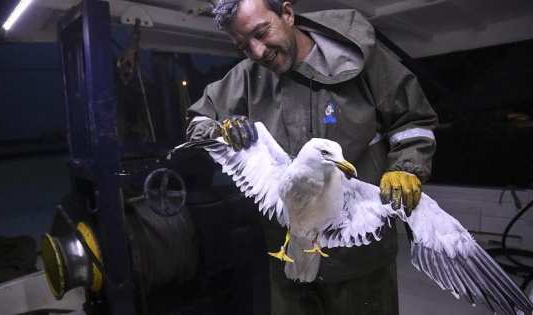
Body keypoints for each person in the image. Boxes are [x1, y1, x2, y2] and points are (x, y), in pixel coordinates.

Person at [185, 0, 438, 314]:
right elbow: (198, 123)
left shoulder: (361, 60)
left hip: (359, 256)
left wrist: (407, 167)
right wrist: (219, 128)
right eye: (244, 46)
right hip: (289, 251)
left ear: (288, 14)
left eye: (261, 33)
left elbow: (413, 121)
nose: (258, 52)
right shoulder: (244, 80)